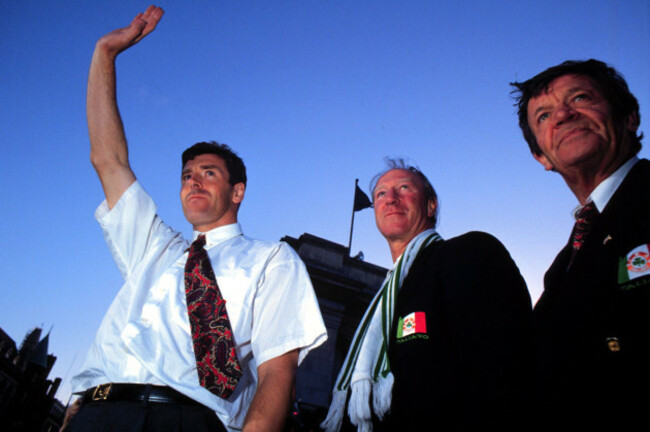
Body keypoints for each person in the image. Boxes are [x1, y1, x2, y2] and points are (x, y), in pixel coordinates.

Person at [66, 6, 327, 432]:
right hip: (99, 411)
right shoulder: (154, 245)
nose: (194, 182)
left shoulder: (272, 261)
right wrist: (104, 53)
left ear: (237, 191)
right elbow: (107, 160)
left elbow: (278, 372)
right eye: (187, 175)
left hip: (187, 420)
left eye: (209, 174)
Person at [322, 159, 532, 431]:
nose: (391, 199)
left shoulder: (469, 253)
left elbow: (505, 371)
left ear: (431, 205)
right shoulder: (381, 306)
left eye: (404, 187)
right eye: (381, 194)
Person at [511, 59, 648, 429]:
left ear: (630, 116)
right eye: (543, 116)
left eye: (582, 97)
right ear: (541, 157)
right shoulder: (563, 265)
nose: (563, 115)